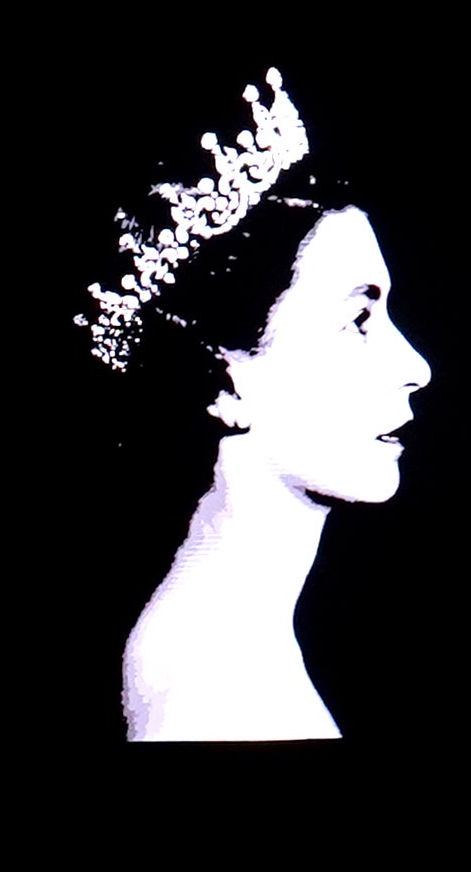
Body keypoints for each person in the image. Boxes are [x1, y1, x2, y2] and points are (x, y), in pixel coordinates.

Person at [90, 69, 423, 745]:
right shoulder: (212, 695)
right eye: (358, 319)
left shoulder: (235, 642)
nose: (416, 367)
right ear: (227, 379)